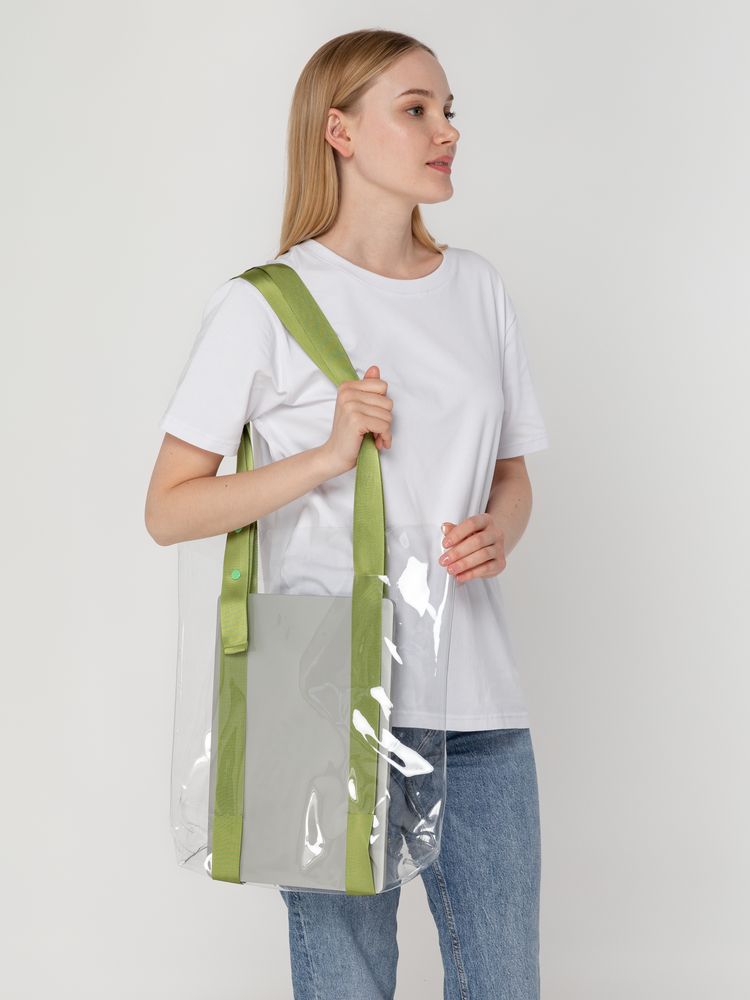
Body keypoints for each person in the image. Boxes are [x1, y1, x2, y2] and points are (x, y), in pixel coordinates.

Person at [146, 27, 549, 1000]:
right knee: (345, 985)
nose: (446, 130)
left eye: (448, 111)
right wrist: (327, 457)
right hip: (321, 693)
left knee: (505, 982)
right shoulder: (264, 304)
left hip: (477, 701)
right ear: (340, 131)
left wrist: (500, 530)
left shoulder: (478, 288)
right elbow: (169, 508)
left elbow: (513, 476)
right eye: (416, 109)